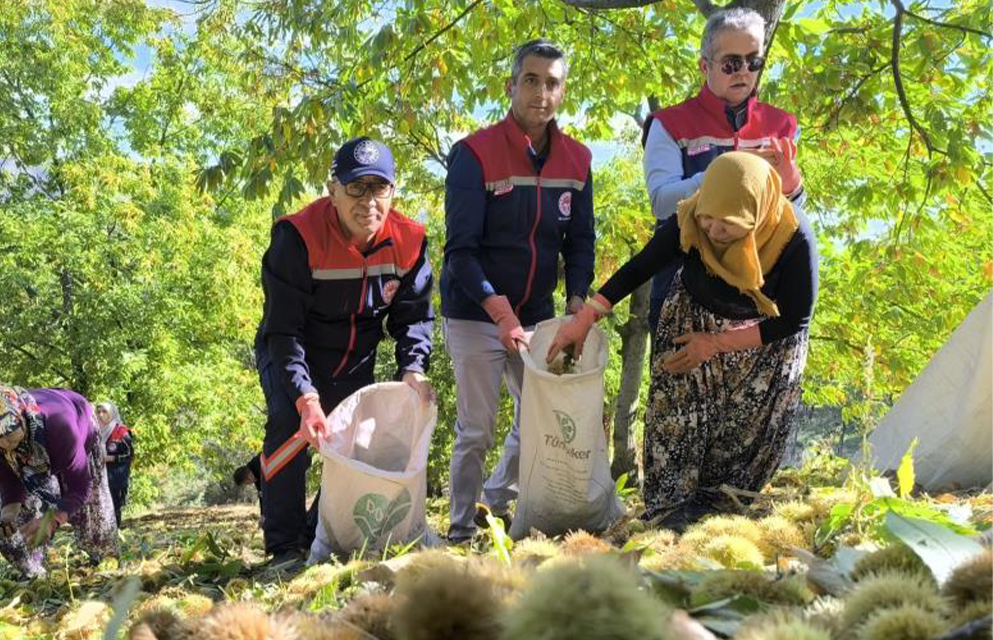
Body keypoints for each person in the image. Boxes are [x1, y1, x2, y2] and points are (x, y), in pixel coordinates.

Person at [548, 152, 817, 531]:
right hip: (693, 318)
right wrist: (586, 318)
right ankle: (668, 518)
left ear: (756, 217)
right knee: (673, 417)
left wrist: (717, 343)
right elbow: (641, 266)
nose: (713, 231)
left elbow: (795, 318)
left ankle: (721, 524)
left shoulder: (793, 239)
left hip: (761, 344)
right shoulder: (692, 218)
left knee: (738, 439)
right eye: (708, 218)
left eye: (729, 225)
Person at [441, 39, 596, 542]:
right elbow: (460, 252)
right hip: (474, 312)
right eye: (531, 80)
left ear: (563, 91)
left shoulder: (578, 160)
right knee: (477, 428)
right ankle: (462, 527)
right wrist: (499, 313)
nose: (541, 93)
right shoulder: (473, 154)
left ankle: (496, 504)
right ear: (511, 86)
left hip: (537, 314)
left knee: (540, 418)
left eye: (552, 83)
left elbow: (581, 243)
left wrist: (576, 304)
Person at [255, 136, 434, 568]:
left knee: (351, 441)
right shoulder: (295, 237)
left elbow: (413, 317)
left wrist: (414, 368)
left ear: (393, 191)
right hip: (291, 351)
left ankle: (316, 531)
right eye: (356, 188)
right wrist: (306, 397)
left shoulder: (410, 240)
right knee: (291, 430)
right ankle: (282, 547)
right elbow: (284, 330)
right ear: (332, 189)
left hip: (356, 357)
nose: (368, 202)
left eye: (379, 188)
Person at [642, 7, 804, 330]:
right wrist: (728, 172)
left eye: (753, 62)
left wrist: (792, 185)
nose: (743, 72)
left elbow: (793, 216)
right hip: (682, 290)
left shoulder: (782, 125)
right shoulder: (668, 124)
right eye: (731, 64)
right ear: (705, 66)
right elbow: (661, 202)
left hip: (757, 296)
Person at [0, 384, 118, 578]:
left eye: (9, 436)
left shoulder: (60, 424)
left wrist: (52, 520)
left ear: (22, 420)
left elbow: (80, 485)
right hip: (28, 462)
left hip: (78, 428)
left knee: (93, 509)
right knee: (13, 525)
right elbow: (6, 477)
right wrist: (8, 514)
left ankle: (103, 556)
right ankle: (33, 570)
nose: (4, 445)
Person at [94, 402, 133, 528]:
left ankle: (115, 534)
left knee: (114, 507)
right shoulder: (95, 432)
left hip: (115, 478)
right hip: (98, 476)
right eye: (98, 411)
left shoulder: (122, 432)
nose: (100, 415)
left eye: (104, 412)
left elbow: (129, 455)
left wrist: (112, 458)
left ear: (112, 414)